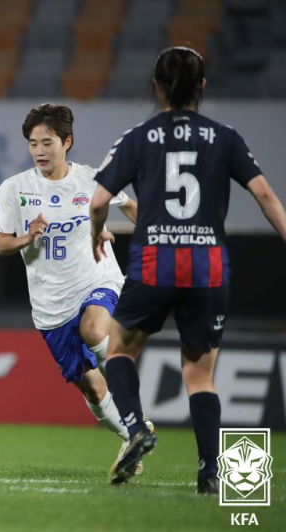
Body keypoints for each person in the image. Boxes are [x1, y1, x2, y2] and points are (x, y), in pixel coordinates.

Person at [90, 46, 286, 491]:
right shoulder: (226, 137)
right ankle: (210, 473)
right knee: (200, 376)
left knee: (118, 351)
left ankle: (137, 426)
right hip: (208, 269)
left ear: (156, 87)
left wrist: (95, 232)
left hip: (154, 264)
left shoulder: (138, 137)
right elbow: (267, 197)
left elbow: (99, 200)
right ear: (202, 87)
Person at [0, 103, 150, 468]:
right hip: (49, 305)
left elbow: (129, 207)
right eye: (33, 144)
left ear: (67, 141)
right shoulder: (15, 189)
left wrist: (158, 233)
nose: (40, 151)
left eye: (47, 142)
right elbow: (0, 245)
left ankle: (136, 419)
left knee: (94, 329)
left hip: (96, 277)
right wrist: (27, 236)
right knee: (92, 389)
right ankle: (132, 437)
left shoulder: (92, 179)